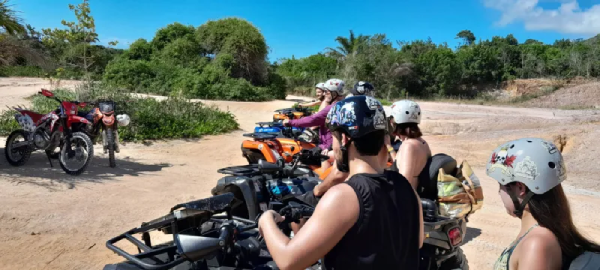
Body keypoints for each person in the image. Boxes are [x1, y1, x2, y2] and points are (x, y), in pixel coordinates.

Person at [258, 95, 423, 270]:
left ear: (344, 139)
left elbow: (288, 260)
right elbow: (417, 242)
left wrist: (266, 219)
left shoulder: (345, 195)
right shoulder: (406, 186)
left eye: (333, 137)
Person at [487, 138, 600, 270]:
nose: (499, 192)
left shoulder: (536, 243)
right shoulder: (540, 233)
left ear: (520, 188)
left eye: (501, 185)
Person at [282, 78, 345, 152]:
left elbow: (313, 120)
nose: (324, 94)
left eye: (326, 92)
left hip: (328, 146)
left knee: (302, 153)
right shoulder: (343, 104)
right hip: (335, 144)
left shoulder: (332, 108)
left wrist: (290, 122)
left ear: (334, 94)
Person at [388, 99, 431, 191]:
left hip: (407, 201)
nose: (391, 122)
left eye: (392, 119)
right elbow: (402, 163)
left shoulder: (409, 146)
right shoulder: (421, 142)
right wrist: (389, 147)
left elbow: (404, 182)